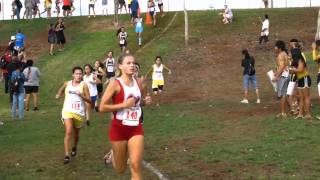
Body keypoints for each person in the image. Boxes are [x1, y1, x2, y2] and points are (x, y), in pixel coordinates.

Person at [100, 54, 151, 179]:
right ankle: (114, 155)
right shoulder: (114, 84)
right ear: (120, 66)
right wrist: (123, 105)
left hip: (135, 128)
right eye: (128, 63)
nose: (132, 65)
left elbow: (141, 101)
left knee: (135, 165)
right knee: (120, 169)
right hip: (119, 129)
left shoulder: (139, 82)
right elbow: (102, 107)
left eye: (133, 63)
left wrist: (146, 101)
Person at [55, 66, 91, 164]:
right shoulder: (67, 83)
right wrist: (58, 94)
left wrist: (81, 95)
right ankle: (66, 155)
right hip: (67, 111)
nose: (78, 76)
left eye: (80, 74)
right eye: (77, 74)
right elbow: (61, 90)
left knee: (76, 134)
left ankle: (74, 147)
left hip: (79, 113)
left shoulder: (84, 85)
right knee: (69, 131)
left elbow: (89, 100)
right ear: (73, 75)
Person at [289, 49, 311, 121]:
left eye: (291, 53)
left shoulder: (300, 60)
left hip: (305, 79)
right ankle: (300, 114)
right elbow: (296, 71)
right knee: (301, 98)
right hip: (300, 79)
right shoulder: (295, 61)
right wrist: (291, 71)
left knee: (306, 97)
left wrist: (292, 69)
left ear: (294, 54)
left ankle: (308, 114)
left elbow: (300, 70)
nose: (290, 54)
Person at [273, 40, 290, 118]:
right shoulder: (284, 54)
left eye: (275, 46)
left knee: (282, 95)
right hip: (287, 75)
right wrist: (276, 73)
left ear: (279, 48)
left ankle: (283, 113)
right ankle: (291, 109)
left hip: (283, 76)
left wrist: (276, 77)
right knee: (285, 94)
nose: (274, 47)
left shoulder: (280, 55)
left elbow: (282, 66)